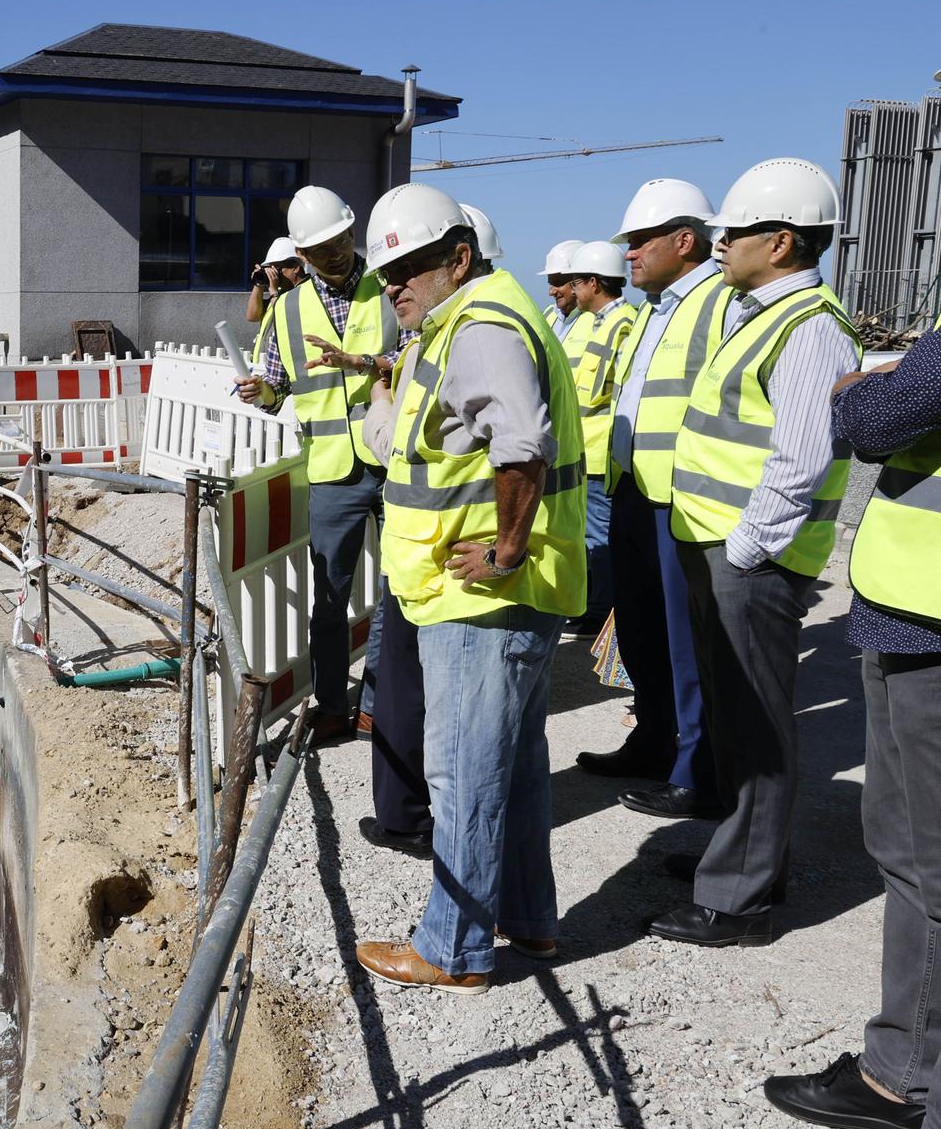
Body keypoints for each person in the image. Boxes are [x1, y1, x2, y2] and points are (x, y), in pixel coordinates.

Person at [350, 183, 587, 995]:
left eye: (411, 268)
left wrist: (508, 549)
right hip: (476, 596)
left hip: (481, 596)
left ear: (458, 257)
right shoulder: (450, 328)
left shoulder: (482, 327)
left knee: (464, 773)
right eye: (387, 276)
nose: (396, 287)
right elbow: (415, 446)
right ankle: (529, 918)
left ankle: (453, 947)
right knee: (511, 769)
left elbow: (521, 446)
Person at [648, 158, 859, 947]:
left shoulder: (809, 327)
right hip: (719, 551)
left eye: (733, 232)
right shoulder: (760, 313)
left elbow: (799, 460)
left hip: (752, 561)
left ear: (780, 242)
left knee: (757, 723)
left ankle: (739, 900)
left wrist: (742, 552)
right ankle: (735, 858)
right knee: (737, 722)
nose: (719, 242)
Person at [770, 328, 941, 1129]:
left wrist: (868, 389)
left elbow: (877, 415)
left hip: (936, 630)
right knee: (907, 859)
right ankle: (898, 1071)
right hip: (905, 615)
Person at [576, 179, 735, 820]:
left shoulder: (720, 303)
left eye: (640, 242)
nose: (630, 255)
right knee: (641, 632)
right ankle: (651, 740)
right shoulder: (655, 308)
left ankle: (695, 769)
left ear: (684, 239)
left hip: (682, 499)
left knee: (683, 642)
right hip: (634, 490)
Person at [232, 186, 394, 746]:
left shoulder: (390, 287)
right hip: (332, 470)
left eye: (343, 238)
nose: (338, 252)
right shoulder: (286, 309)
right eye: (323, 247)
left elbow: (425, 355)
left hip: (394, 459)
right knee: (330, 601)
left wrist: (372, 362)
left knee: (402, 591)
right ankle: (331, 705)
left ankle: (378, 704)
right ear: (301, 255)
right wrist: (262, 391)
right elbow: (277, 386)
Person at [562, 240, 639, 635]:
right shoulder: (588, 323)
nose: (571, 291)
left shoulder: (623, 323)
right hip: (580, 451)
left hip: (598, 454)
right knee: (587, 537)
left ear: (594, 282)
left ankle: (600, 612)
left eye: (576, 283)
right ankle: (591, 604)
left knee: (599, 539)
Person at [246, 236, 308, 327]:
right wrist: (259, 283)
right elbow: (252, 316)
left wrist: (273, 291)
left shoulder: (308, 290)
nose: (274, 273)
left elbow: (288, 317)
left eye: (277, 268)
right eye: (271, 268)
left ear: (296, 267)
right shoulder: (279, 294)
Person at [540, 240, 584, 337]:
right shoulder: (549, 314)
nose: (551, 292)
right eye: (550, 283)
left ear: (578, 281)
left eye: (558, 283)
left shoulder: (597, 320)